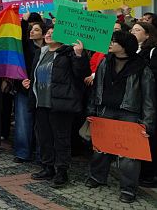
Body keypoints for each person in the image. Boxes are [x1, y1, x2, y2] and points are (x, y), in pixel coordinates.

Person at [86, 31, 155, 203]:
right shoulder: (105, 62)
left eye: (114, 41)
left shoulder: (141, 67)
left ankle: (128, 189)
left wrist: (147, 123)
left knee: (129, 154)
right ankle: (97, 177)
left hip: (129, 113)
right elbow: (96, 89)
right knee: (100, 149)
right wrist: (92, 110)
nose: (109, 43)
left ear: (124, 45)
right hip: (105, 110)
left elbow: (149, 97)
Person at [23, 27, 88, 188]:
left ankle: (62, 171)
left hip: (60, 103)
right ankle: (48, 167)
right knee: (44, 137)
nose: (49, 34)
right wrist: (31, 82)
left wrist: (79, 55)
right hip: (40, 102)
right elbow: (37, 74)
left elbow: (81, 74)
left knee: (61, 138)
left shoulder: (69, 53)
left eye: (53, 32)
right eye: (47, 32)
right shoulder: (41, 52)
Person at [14, 16, 46, 163]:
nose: (32, 32)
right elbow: (19, 34)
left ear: (44, 33)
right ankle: (22, 152)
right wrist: (24, 21)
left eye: (36, 29)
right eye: (31, 29)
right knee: (23, 123)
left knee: (42, 125)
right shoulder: (26, 47)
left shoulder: (51, 49)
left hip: (44, 92)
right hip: (24, 89)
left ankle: (42, 155)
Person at [130, 22, 157, 187]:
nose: (133, 32)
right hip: (136, 100)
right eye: (132, 30)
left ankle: (149, 174)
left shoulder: (152, 52)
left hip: (149, 100)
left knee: (150, 137)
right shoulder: (134, 51)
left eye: (138, 30)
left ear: (148, 35)